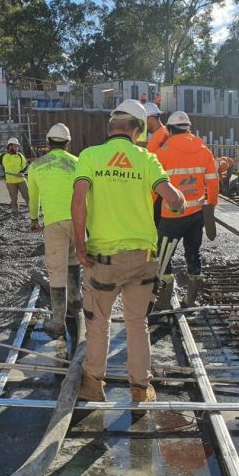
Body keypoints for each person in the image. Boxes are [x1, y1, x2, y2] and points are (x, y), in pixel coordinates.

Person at [72, 99, 185, 404]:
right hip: (142, 260)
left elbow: (79, 200)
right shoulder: (147, 159)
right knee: (137, 324)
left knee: (98, 323)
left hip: (102, 260)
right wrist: (181, 200)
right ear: (137, 129)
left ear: (112, 126)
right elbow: (173, 199)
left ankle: (92, 385)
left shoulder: (90, 156)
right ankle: (140, 389)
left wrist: (80, 246)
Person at [154, 111, 219, 310]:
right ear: (188, 128)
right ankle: (191, 299)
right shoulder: (204, 150)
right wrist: (210, 206)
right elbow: (213, 181)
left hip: (171, 216)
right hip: (196, 214)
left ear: (170, 129)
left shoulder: (163, 152)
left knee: (163, 256)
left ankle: (164, 300)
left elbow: (153, 188)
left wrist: (150, 211)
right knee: (193, 253)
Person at [28, 123, 81, 338]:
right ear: (68, 144)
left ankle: (58, 322)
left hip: (54, 224)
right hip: (78, 222)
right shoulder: (78, 163)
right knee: (74, 261)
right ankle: (76, 304)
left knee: (57, 270)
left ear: (48, 144)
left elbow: (34, 198)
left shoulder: (36, 166)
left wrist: (34, 219)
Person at [0, 137, 29, 213]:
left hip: (21, 180)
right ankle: (15, 211)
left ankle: (32, 210)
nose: (17, 148)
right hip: (10, 182)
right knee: (14, 199)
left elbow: (26, 166)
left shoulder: (20, 156)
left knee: (27, 197)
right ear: (10, 146)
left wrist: (22, 172)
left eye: (17, 146)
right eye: (15, 146)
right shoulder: (2, 156)